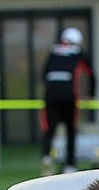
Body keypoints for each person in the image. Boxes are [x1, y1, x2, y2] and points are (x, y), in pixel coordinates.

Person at [40, 26, 94, 176]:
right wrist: (91, 95)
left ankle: (46, 157)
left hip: (50, 94)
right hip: (69, 94)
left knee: (49, 129)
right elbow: (91, 73)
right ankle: (70, 165)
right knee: (71, 129)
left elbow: (44, 73)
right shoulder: (78, 52)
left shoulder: (53, 51)